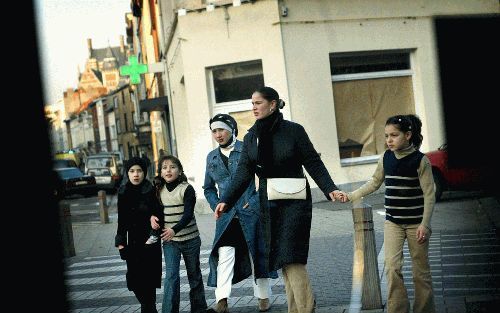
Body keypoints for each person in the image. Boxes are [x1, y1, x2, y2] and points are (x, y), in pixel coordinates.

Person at [215, 86, 342, 313]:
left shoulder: (294, 131)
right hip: (269, 203)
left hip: (295, 202)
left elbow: (313, 161)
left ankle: (305, 307)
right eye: (252, 103)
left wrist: (329, 189)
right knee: (283, 258)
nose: (253, 107)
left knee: (292, 257)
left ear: (272, 104)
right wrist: (225, 200)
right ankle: (297, 308)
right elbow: (244, 172)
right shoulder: (251, 137)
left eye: (258, 103)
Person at [336, 114, 436, 313]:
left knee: (420, 272)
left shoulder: (420, 161)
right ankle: (398, 309)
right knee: (392, 267)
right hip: (393, 223)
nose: (389, 140)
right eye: (386, 136)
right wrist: (351, 195)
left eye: (394, 135)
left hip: (417, 224)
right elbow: (374, 182)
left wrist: (425, 223)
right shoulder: (386, 158)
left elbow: (429, 194)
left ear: (408, 135)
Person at [203, 113, 278, 313]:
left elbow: (264, 180)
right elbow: (208, 188)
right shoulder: (211, 157)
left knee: (258, 254)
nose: (218, 135)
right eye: (214, 131)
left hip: (250, 212)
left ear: (232, 129)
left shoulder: (246, 149)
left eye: (221, 129)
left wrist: (253, 202)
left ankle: (263, 297)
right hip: (226, 217)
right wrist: (217, 204)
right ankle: (222, 300)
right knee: (225, 254)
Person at [150, 155, 208, 313]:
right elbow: (153, 210)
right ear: (160, 172)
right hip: (170, 242)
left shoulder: (187, 189)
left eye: (172, 167)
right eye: (164, 167)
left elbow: (188, 214)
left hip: (190, 240)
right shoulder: (158, 189)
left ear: (180, 170)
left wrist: (174, 229)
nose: (168, 170)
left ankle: (199, 309)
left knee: (194, 276)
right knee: (171, 276)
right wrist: (151, 217)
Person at [115, 157, 162, 313]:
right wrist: (120, 242)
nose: (136, 174)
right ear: (127, 173)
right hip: (132, 242)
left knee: (148, 282)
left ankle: (149, 309)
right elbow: (121, 220)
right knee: (135, 282)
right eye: (132, 171)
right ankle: (150, 308)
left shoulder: (151, 190)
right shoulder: (123, 192)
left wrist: (153, 221)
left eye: (139, 171)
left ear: (144, 172)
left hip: (150, 242)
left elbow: (160, 215)